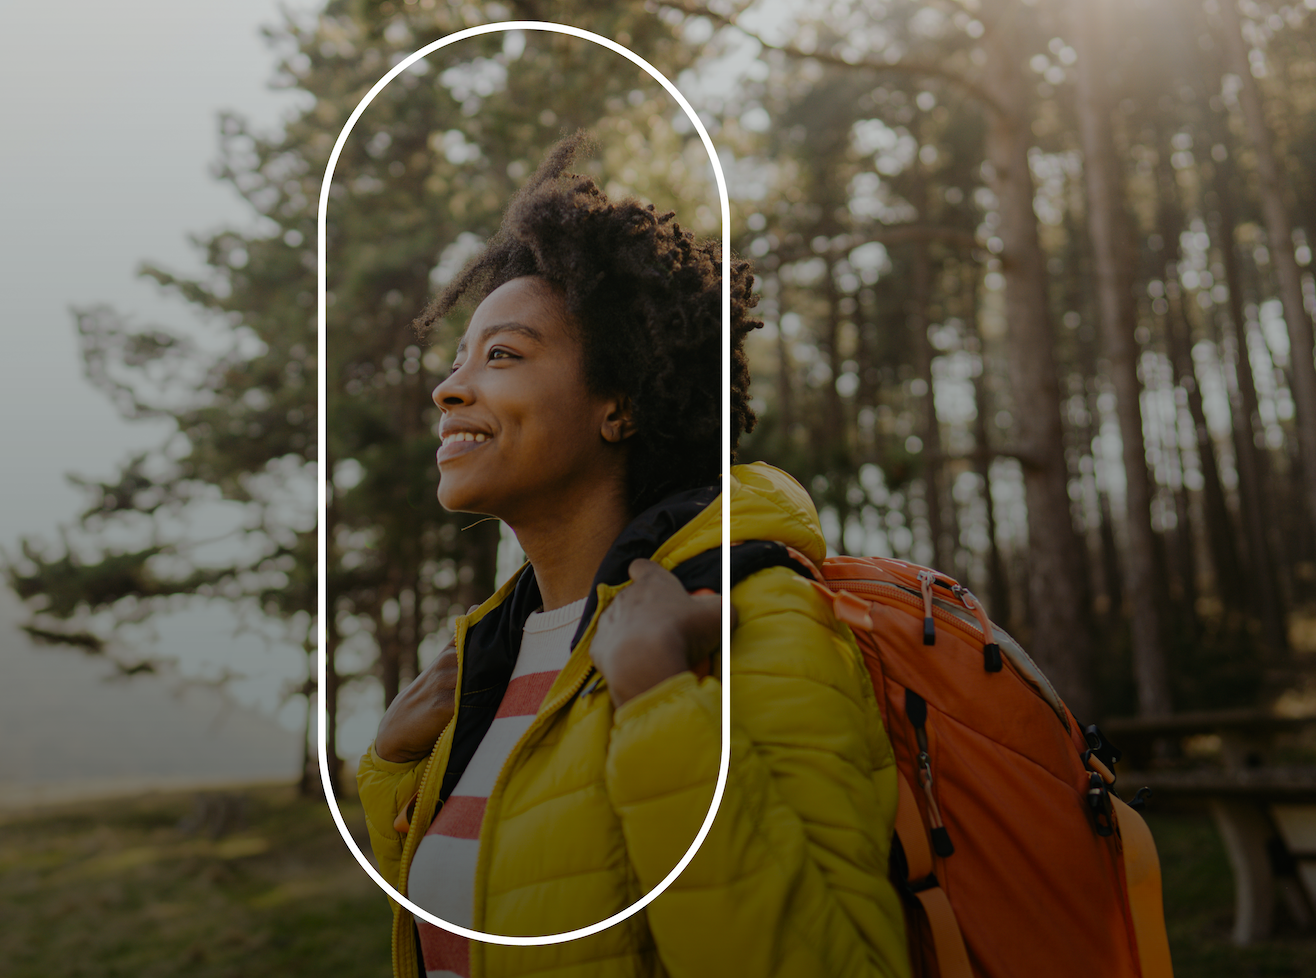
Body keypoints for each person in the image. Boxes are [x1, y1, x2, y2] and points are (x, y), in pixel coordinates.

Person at [357, 135, 908, 978]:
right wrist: (395, 772)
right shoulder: (486, 661)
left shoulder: (744, 617)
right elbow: (499, 916)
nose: (448, 388)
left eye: (501, 355)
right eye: (457, 359)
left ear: (618, 404)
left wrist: (657, 704)